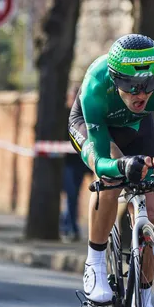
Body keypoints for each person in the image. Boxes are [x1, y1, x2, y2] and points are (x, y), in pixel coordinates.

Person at [68, 34, 154, 307]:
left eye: (148, 84)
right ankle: (94, 263)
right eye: (131, 85)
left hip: (137, 129)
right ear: (116, 78)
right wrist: (120, 168)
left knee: (152, 210)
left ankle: (144, 305)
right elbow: (102, 161)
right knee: (111, 179)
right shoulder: (95, 88)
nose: (140, 92)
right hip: (95, 126)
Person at [60, 87, 91, 243]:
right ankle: (68, 226)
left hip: (81, 163)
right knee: (70, 196)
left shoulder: (86, 115)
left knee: (74, 196)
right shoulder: (65, 115)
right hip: (68, 164)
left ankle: (69, 225)